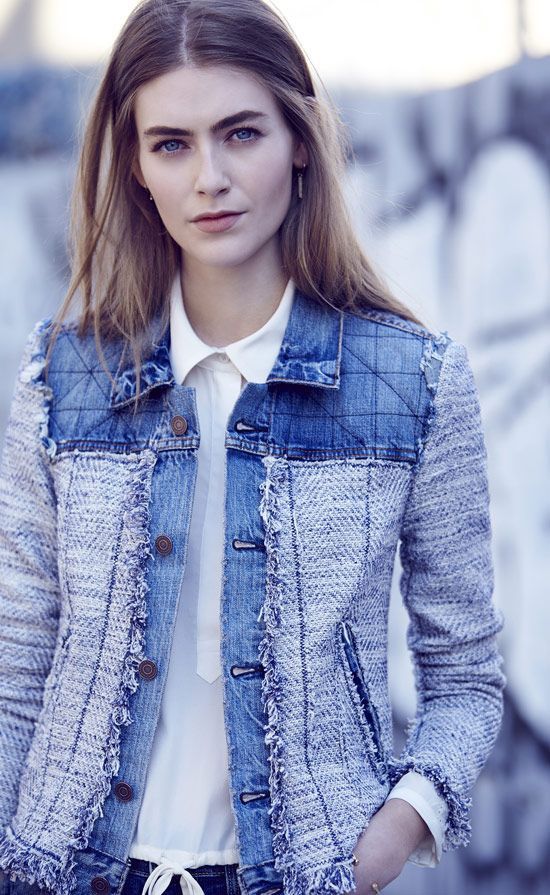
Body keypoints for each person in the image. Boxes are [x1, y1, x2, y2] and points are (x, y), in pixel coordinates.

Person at [0, 1, 505, 895]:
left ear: (300, 140)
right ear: (136, 166)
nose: (210, 178)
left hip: (304, 876)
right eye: (171, 144)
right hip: (66, 871)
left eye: (241, 133)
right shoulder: (62, 374)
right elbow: (17, 658)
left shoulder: (416, 382)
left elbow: (464, 673)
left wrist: (389, 838)